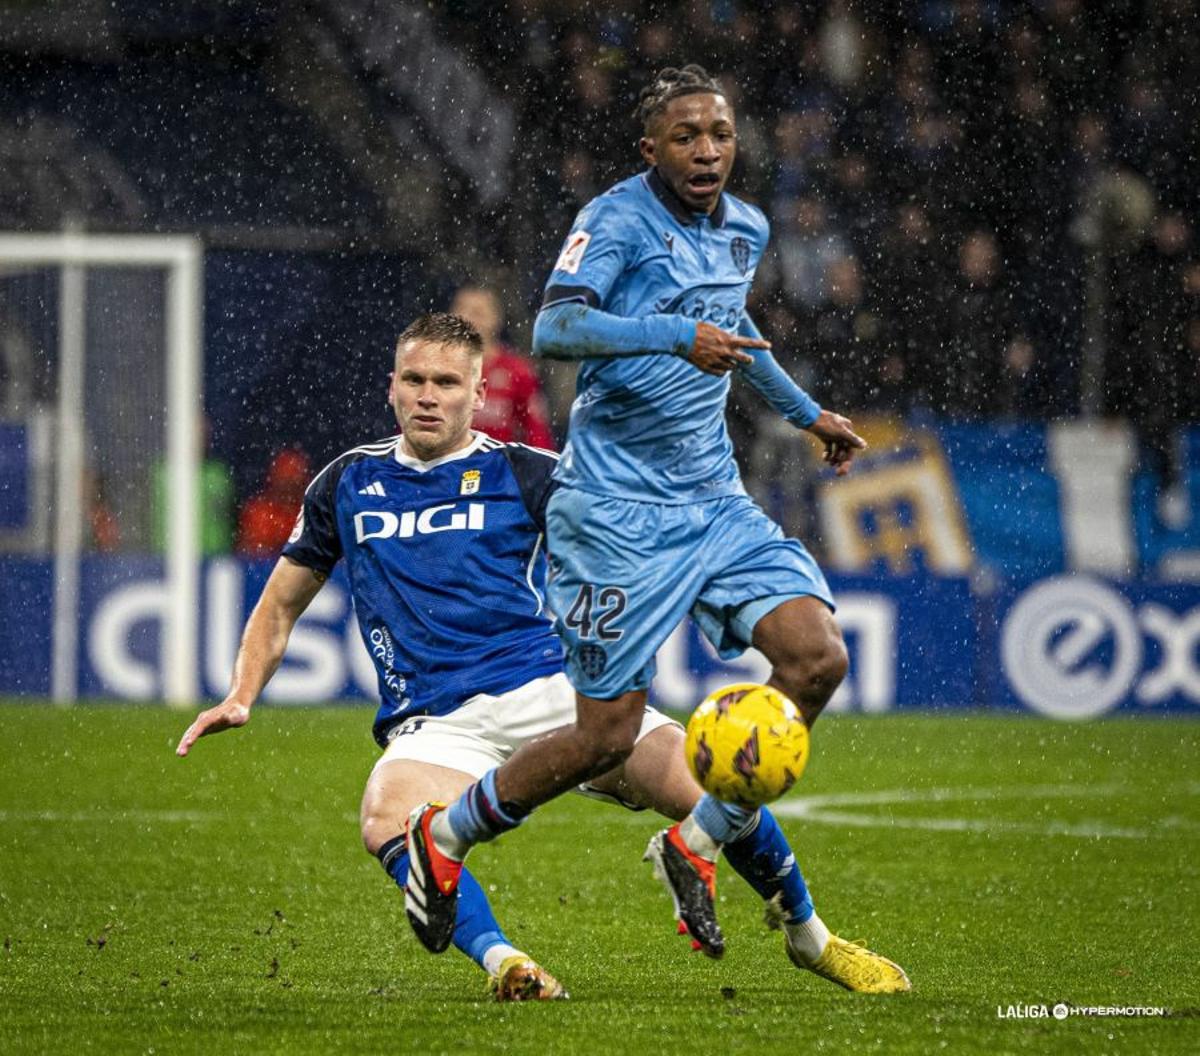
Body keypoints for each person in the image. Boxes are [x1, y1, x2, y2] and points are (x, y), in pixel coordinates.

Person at [406, 66, 910, 993]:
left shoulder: (748, 228)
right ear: (652, 150)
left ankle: (696, 840)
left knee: (817, 657)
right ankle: (443, 835)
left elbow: (733, 329)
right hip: (614, 516)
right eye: (686, 137)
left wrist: (807, 414)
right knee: (607, 738)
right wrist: (671, 337)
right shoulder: (618, 219)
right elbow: (558, 328)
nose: (708, 150)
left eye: (719, 133)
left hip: (712, 500)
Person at [176, 313, 701, 1001]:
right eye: (415, 380)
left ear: (478, 393)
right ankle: (506, 963)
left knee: (709, 786)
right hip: (435, 719)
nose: (429, 395)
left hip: (546, 689)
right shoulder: (347, 483)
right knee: (384, 819)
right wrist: (242, 693)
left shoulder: (524, 471)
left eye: (446, 382)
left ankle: (815, 938)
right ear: (391, 388)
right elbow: (279, 606)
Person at [448, 285, 556, 449]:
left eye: (478, 313)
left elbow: (537, 433)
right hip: (445, 467)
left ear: (496, 318)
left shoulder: (518, 371)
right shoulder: (436, 367)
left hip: (498, 468)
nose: (469, 320)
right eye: (463, 311)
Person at [235, 447, 310, 557]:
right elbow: (248, 556)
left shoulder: (310, 512)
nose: (289, 489)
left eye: (294, 483)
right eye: (285, 482)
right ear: (275, 481)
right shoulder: (260, 513)